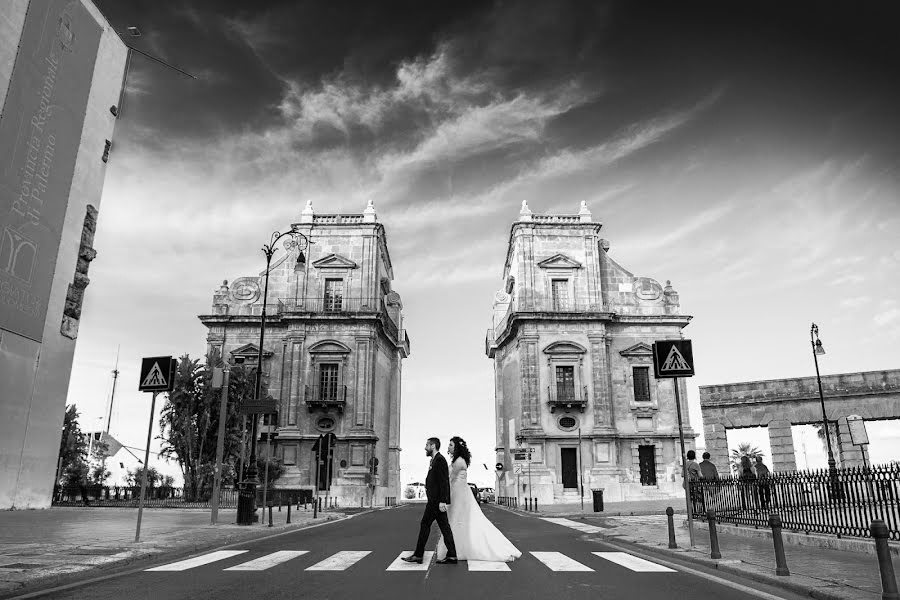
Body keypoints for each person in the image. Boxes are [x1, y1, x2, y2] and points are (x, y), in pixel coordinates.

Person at [436, 436, 521, 563]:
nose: (448, 447)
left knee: (457, 520)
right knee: (459, 520)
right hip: (458, 492)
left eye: (451, 445)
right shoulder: (458, 460)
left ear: (457, 447)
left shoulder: (458, 461)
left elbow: (450, 479)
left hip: (458, 493)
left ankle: (456, 550)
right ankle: (456, 549)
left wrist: (439, 492)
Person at [402, 437, 458, 564]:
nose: (425, 448)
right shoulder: (434, 460)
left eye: (427, 445)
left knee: (425, 524)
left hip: (436, 501)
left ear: (433, 446)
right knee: (444, 527)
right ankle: (452, 555)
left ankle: (418, 554)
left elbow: (444, 482)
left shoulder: (440, 460)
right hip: (435, 501)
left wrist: (443, 501)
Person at [684, 450, 703, 514]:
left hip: (687, 484)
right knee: (698, 498)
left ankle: (691, 512)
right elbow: (700, 475)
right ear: (694, 456)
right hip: (695, 484)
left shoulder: (685, 464)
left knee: (690, 499)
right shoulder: (695, 464)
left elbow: (682, 474)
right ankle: (698, 511)